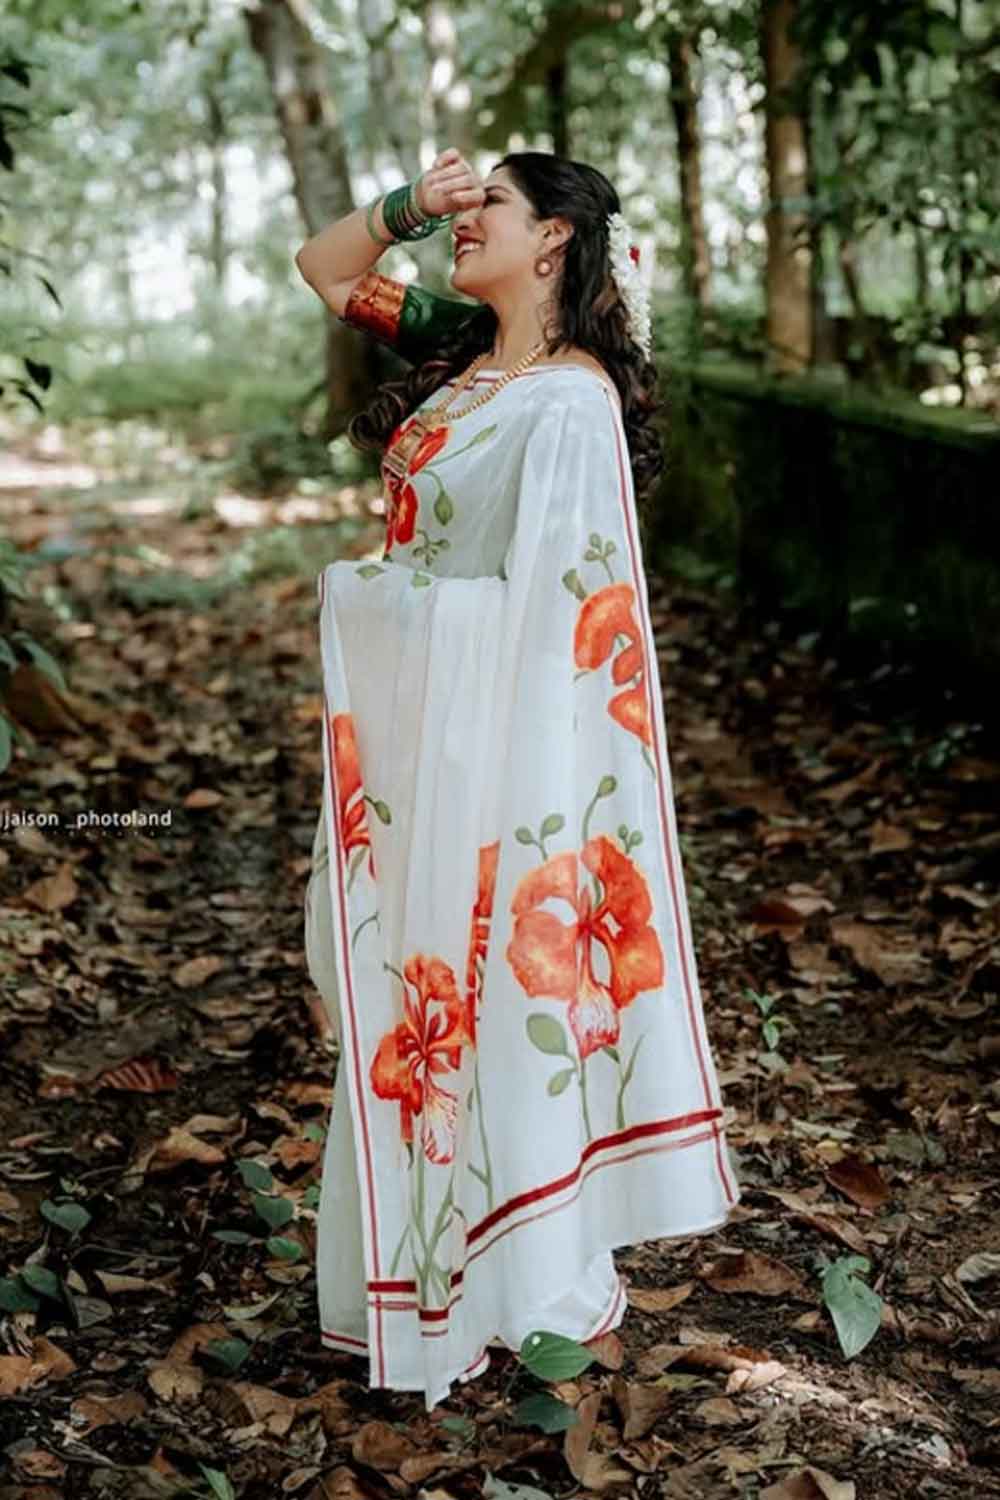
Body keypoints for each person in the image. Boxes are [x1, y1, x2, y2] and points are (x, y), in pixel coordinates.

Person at [294, 147, 740, 1413]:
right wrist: (408, 205)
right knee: (394, 987)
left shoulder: (568, 402)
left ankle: (517, 1278)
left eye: (489, 200)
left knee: (480, 986)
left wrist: (423, 641)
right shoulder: (456, 343)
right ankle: (427, 1261)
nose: (461, 218)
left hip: (495, 745)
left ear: (553, 239)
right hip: (408, 735)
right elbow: (326, 267)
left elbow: (567, 619)